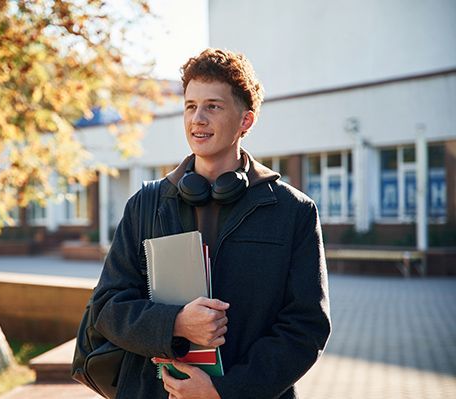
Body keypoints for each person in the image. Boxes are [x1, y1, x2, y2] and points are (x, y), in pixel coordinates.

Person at [92, 48, 331, 398]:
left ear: (245, 121)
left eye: (213, 106)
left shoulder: (293, 211)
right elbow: (107, 306)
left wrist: (225, 392)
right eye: (190, 106)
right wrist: (174, 323)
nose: (197, 119)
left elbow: (306, 328)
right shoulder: (146, 204)